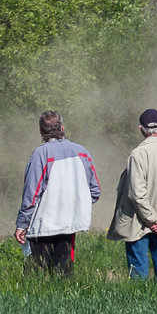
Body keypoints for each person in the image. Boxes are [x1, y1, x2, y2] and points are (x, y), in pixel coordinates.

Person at [106, 108, 157, 288]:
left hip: (138, 223)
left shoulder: (138, 154)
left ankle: (139, 311)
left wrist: (152, 221)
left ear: (141, 129)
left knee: (138, 280)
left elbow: (137, 193)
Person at [13, 111, 101, 278]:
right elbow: (95, 190)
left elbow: (32, 193)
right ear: (62, 127)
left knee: (36, 276)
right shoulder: (82, 152)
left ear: (41, 131)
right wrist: (78, 205)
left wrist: (22, 224)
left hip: (43, 224)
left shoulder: (40, 154)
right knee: (64, 274)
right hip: (70, 223)